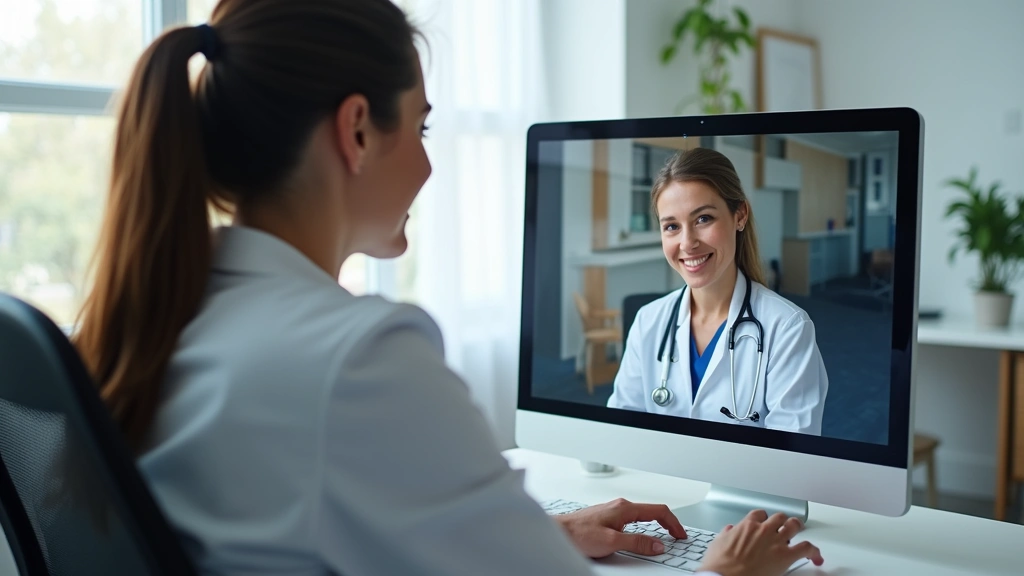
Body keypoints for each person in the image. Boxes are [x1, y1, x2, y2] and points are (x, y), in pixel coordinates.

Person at [71, 0, 823, 574]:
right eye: (423, 130)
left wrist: (543, 535)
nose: (430, 168)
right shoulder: (361, 357)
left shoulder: (167, 311)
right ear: (357, 131)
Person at [607, 148, 829, 435]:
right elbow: (620, 431)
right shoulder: (648, 321)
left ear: (740, 215)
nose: (687, 243)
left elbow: (792, 458)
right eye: (672, 226)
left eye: (703, 219)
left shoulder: (787, 328)